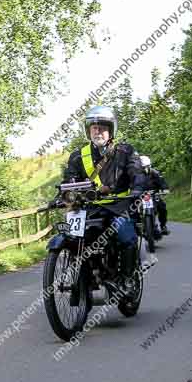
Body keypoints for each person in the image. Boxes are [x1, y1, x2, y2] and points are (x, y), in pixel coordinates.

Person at [62, 105, 145, 291]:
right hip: (89, 209)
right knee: (76, 237)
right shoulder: (77, 156)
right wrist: (66, 195)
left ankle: (127, 279)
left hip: (119, 205)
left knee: (127, 237)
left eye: (102, 127)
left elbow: (136, 172)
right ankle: (88, 275)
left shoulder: (125, 151)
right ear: (88, 130)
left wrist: (138, 189)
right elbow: (69, 179)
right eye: (94, 127)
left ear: (111, 130)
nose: (98, 131)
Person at [140, 155, 170, 235]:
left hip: (154, 196)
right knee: (132, 211)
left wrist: (165, 189)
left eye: (147, 166)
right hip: (140, 197)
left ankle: (163, 226)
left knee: (162, 206)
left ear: (150, 165)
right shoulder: (136, 175)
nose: (145, 168)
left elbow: (162, 182)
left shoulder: (155, 173)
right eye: (143, 167)